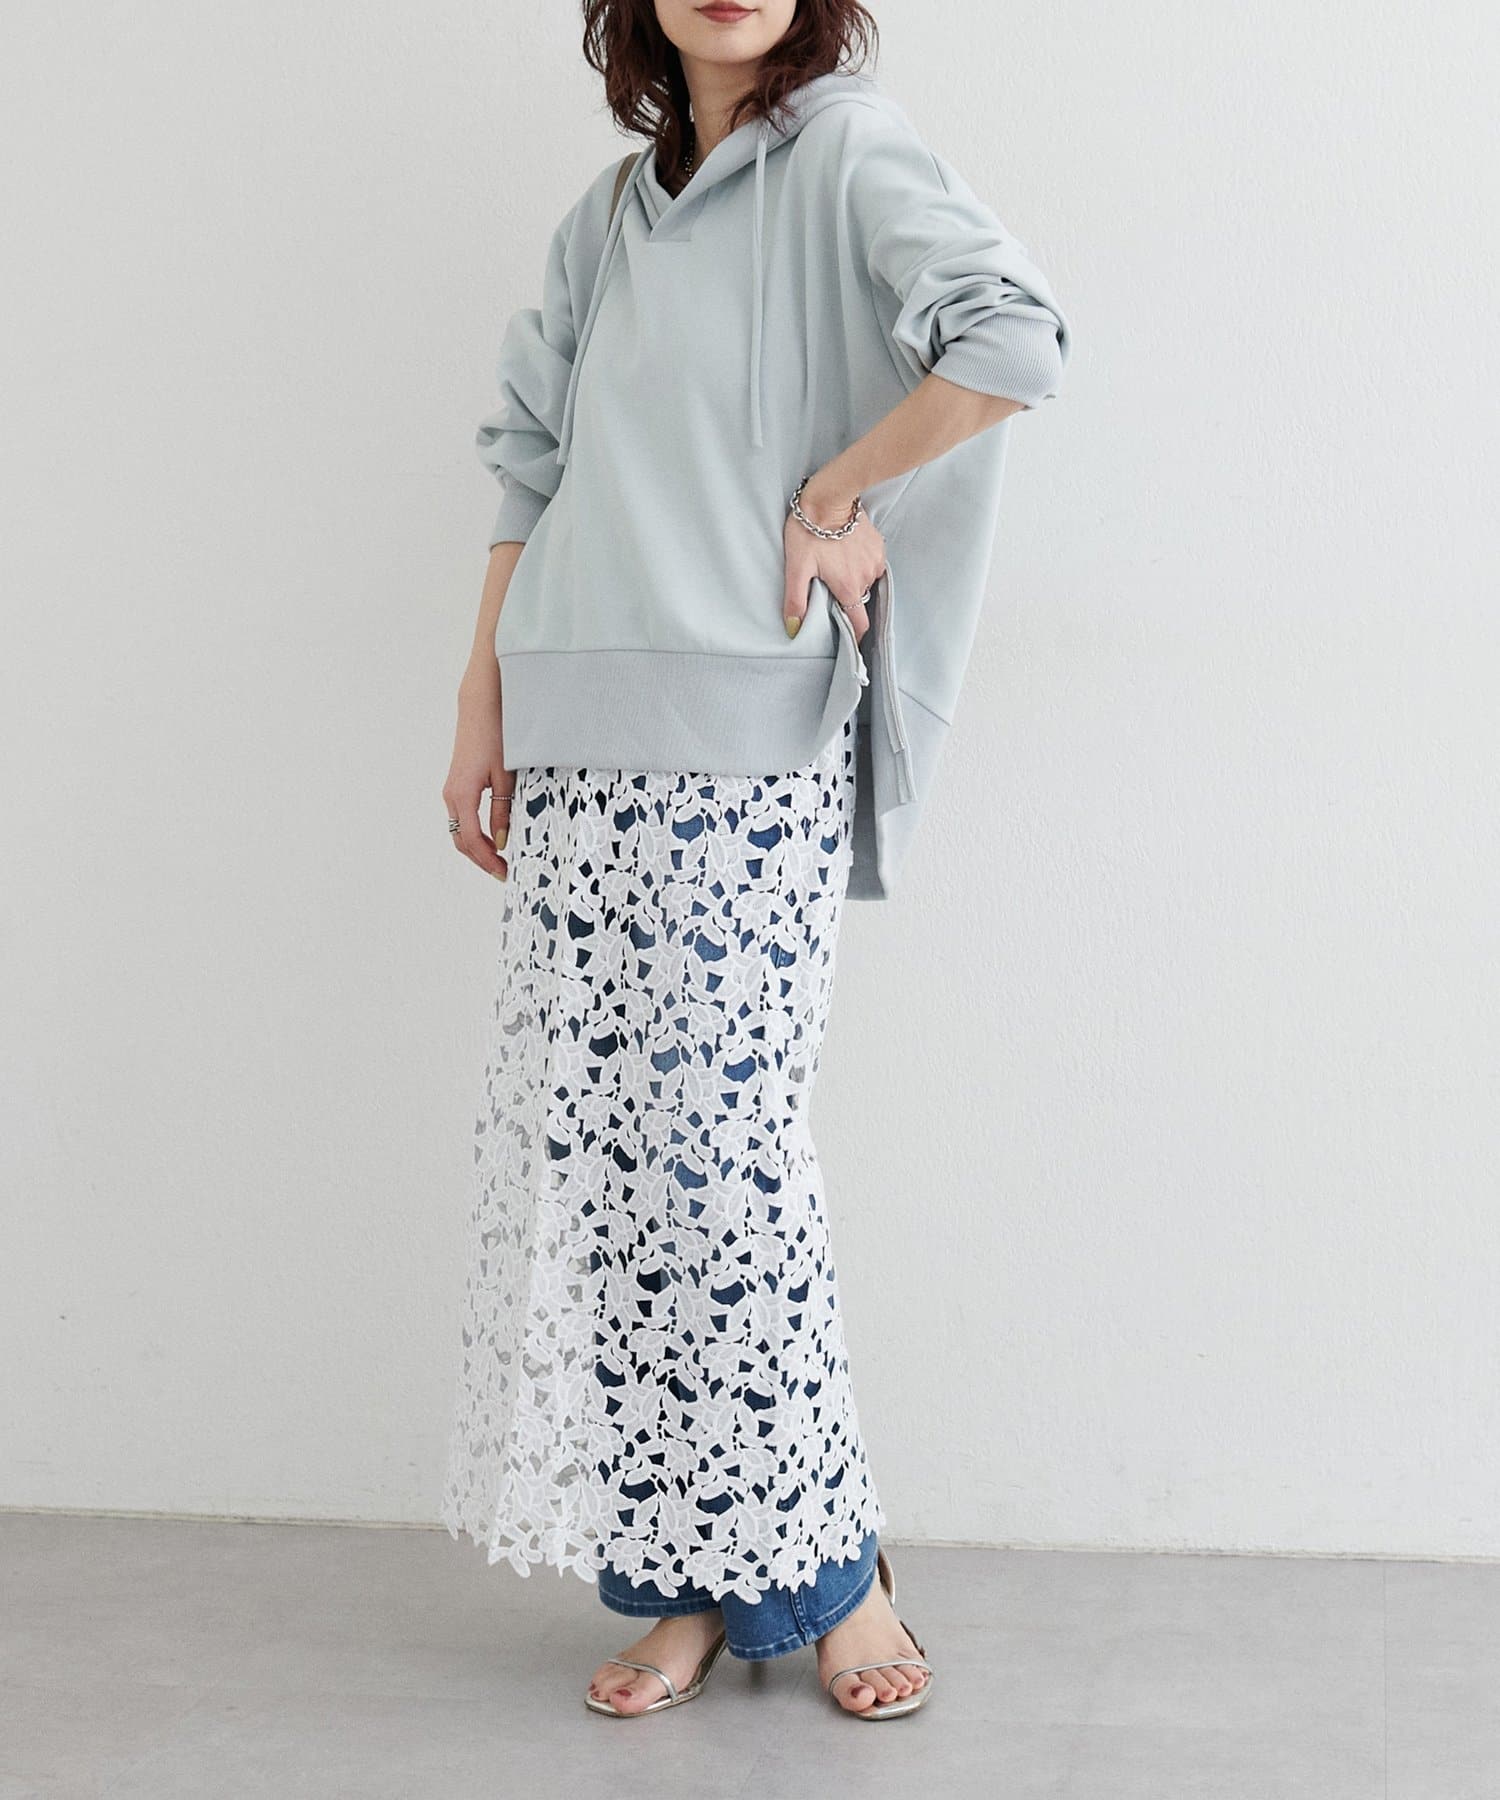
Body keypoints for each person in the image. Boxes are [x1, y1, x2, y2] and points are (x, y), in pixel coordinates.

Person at [438, 0, 1072, 1723]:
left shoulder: (847, 150)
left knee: (729, 1163)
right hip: (575, 728)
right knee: (625, 1180)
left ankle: (836, 1572)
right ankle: (692, 1580)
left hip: (746, 736)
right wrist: (482, 703)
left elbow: (1012, 335)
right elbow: (531, 464)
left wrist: (834, 494)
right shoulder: (609, 214)